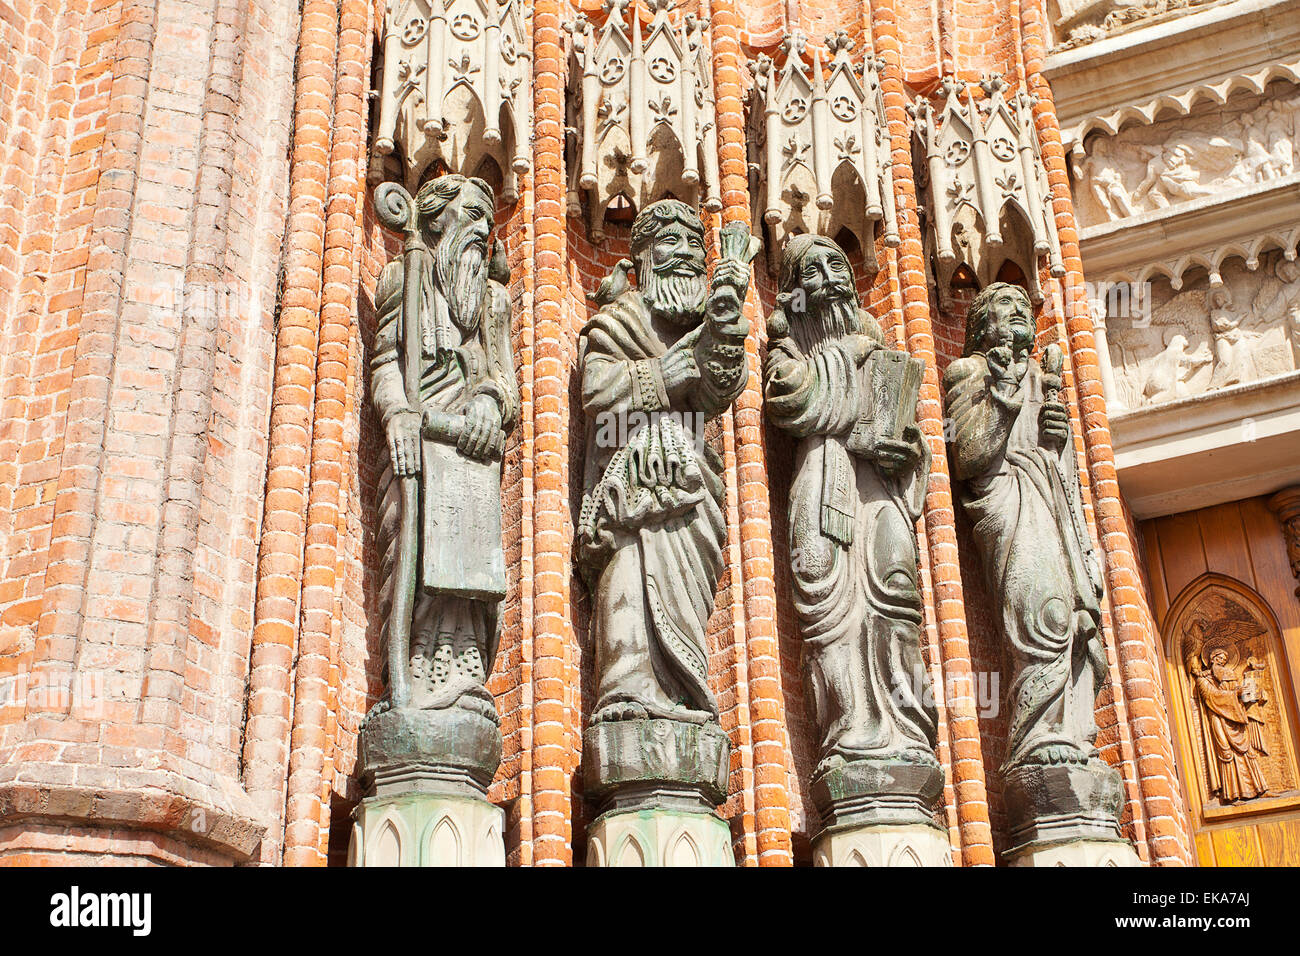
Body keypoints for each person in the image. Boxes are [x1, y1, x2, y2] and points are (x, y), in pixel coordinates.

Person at [763, 234, 937, 776]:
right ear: (793, 294)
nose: (829, 279)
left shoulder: (880, 347)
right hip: (824, 485)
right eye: (810, 273)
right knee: (826, 603)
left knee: (896, 597)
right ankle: (848, 731)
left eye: (835, 266)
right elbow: (798, 401)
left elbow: (909, 434)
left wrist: (906, 451)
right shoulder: (789, 350)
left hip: (879, 494)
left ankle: (905, 731)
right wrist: (849, 357)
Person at [576, 199, 751, 726]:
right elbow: (597, 395)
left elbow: (723, 387)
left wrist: (728, 303)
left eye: (695, 245)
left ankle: (679, 697)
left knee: (685, 597)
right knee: (629, 579)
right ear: (644, 257)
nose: (684, 255)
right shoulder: (618, 322)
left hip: (692, 489)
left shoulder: (703, 331)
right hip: (629, 492)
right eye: (670, 242)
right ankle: (626, 692)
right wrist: (666, 375)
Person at [371, 173, 519, 718]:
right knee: (411, 557)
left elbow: (506, 384)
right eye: (474, 214)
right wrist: (397, 415)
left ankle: (462, 679)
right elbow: (386, 363)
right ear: (437, 220)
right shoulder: (402, 278)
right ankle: (410, 682)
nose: (484, 230)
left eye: (488, 219)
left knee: (468, 575)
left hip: (470, 454)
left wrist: (488, 405)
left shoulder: (494, 302)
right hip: (419, 442)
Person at [943, 282, 1106, 773]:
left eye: (1022, 307)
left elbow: (1062, 467)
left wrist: (1058, 443)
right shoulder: (967, 370)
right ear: (979, 325)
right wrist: (1003, 399)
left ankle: (1072, 734)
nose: (1018, 314)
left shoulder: (1041, 375)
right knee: (1043, 613)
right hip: (1007, 504)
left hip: (1048, 501)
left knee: (1074, 624)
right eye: (1004, 307)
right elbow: (968, 455)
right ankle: (1036, 741)